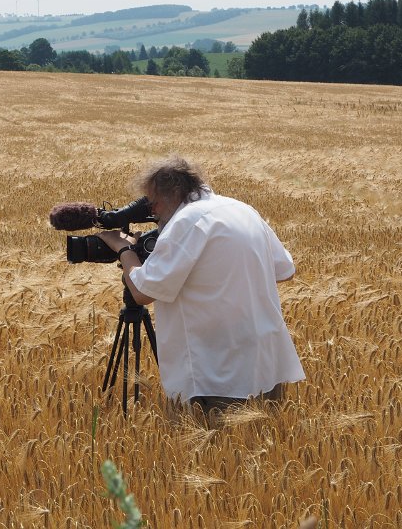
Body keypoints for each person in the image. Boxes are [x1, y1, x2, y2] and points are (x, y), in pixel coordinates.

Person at [98, 156, 305, 414]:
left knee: (214, 452)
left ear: (171, 193)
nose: (153, 211)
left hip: (216, 371)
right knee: (262, 449)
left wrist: (124, 248)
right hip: (265, 361)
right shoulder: (242, 209)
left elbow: (141, 292)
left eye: (153, 202)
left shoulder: (186, 221)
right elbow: (285, 270)